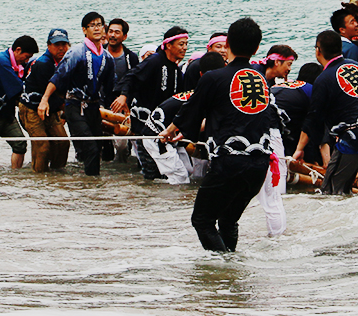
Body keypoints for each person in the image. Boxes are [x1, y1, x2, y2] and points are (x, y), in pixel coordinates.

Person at [162, 17, 278, 252]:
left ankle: (223, 271)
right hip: (259, 164)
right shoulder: (262, 81)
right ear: (256, 48)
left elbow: (191, 110)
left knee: (202, 220)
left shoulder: (214, 78)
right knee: (228, 220)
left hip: (229, 163)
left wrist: (170, 131)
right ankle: (231, 276)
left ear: (228, 46)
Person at [294, 30, 358, 195]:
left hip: (353, 139)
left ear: (318, 50)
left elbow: (314, 117)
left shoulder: (324, 79)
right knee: (331, 185)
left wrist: (299, 148)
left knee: (333, 191)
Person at [39, 12, 115, 177]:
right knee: (91, 148)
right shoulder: (76, 52)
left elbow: (110, 88)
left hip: (94, 107)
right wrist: (44, 99)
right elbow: (58, 77)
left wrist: (121, 102)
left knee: (97, 147)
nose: (96, 28)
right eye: (92, 25)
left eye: (99, 25)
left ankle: (90, 185)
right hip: (75, 105)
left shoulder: (107, 58)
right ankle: (91, 185)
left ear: (104, 29)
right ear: (84, 30)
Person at [111, 26, 189, 180]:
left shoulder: (176, 69)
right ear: (168, 45)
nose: (185, 48)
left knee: (163, 169)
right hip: (144, 124)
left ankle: (154, 198)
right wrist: (123, 96)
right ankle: (145, 199)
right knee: (150, 168)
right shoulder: (154, 60)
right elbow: (131, 76)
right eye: (181, 44)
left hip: (163, 126)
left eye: (186, 44)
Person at [145, 53, 226, 185]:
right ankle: (158, 198)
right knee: (180, 176)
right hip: (157, 134)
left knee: (188, 171)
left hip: (174, 135)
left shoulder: (204, 91)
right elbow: (199, 122)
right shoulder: (203, 95)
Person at [0, 35, 38, 171]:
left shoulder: (16, 64)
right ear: (17, 50)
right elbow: (17, 90)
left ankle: (14, 177)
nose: (26, 61)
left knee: (20, 144)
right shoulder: (1, 62)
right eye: (26, 57)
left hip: (6, 113)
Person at [19, 29, 71, 173]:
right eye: (56, 44)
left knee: (62, 142)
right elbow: (50, 94)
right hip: (31, 108)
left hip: (51, 107)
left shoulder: (64, 62)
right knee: (42, 145)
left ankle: (57, 173)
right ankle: (39, 176)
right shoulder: (43, 64)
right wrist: (66, 108)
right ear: (49, 46)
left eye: (64, 44)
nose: (61, 48)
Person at [103, 19, 139, 162]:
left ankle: (121, 179)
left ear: (124, 36)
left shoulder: (131, 57)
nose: (112, 35)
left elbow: (135, 83)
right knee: (101, 145)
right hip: (101, 104)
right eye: (110, 31)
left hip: (122, 107)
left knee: (122, 147)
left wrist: (127, 101)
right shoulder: (98, 54)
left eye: (117, 32)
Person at [271, 62, 321, 163]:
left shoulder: (287, 83)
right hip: (281, 114)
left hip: (268, 108)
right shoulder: (312, 89)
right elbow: (314, 123)